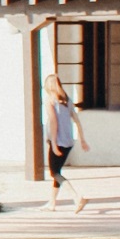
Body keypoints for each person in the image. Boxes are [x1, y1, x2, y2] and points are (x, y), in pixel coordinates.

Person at [41, 74, 90, 213]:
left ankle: (77, 197)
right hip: (69, 142)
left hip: (58, 141)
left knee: (54, 172)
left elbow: (53, 122)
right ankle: (52, 203)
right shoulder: (67, 100)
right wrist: (82, 140)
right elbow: (76, 120)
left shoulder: (50, 100)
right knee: (57, 172)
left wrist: (54, 144)